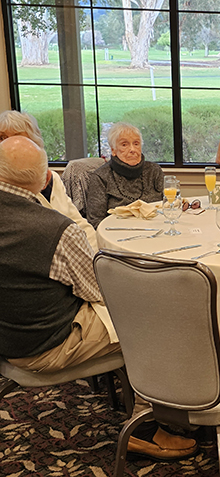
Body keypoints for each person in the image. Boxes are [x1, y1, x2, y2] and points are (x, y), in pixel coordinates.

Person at [0, 136, 198, 460]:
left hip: (8, 335)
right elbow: (100, 292)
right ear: (45, 177)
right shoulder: (54, 230)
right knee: (155, 319)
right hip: (44, 345)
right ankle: (147, 430)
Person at [0, 110, 98, 251]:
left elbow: (78, 222)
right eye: (2, 138)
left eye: (17, 138)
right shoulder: (7, 191)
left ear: (34, 142)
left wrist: (96, 255)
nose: (8, 145)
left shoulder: (53, 179)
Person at [86, 122, 163, 228]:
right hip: (119, 235)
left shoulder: (154, 171)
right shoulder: (101, 177)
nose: (132, 149)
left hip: (156, 229)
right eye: (124, 145)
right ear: (113, 150)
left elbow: (169, 206)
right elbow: (95, 221)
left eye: (136, 144)